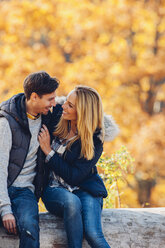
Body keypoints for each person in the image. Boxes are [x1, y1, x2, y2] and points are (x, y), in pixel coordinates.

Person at [39, 86, 119, 248]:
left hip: (85, 188)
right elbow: (32, 100)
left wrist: (49, 151)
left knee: (93, 234)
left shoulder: (95, 141)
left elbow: (74, 176)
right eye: (66, 101)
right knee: (72, 202)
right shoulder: (57, 116)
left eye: (70, 105)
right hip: (54, 188)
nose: (63, 106)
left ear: (82, 112)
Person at [0, 71, 59, 248]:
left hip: (24, 191)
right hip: (3, 188)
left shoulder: (48, 117)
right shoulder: (6, 123)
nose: (54, 104)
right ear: (34, 97)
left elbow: (80, 108)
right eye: (50, 99)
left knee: (30, 227)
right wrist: (5, 210)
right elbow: (0, 169)